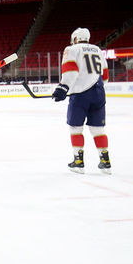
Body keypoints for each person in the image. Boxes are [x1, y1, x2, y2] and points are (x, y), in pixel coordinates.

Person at [52, 27, 111, 174]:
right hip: (99, 93)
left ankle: (78, 162)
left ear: (76, 38)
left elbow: (71, 70)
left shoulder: (72, 49)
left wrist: (63, 87)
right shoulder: (97, 49)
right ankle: (105, 161)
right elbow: (105, 76)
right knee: (98, 129)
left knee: (75, 128)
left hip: (80, 95)